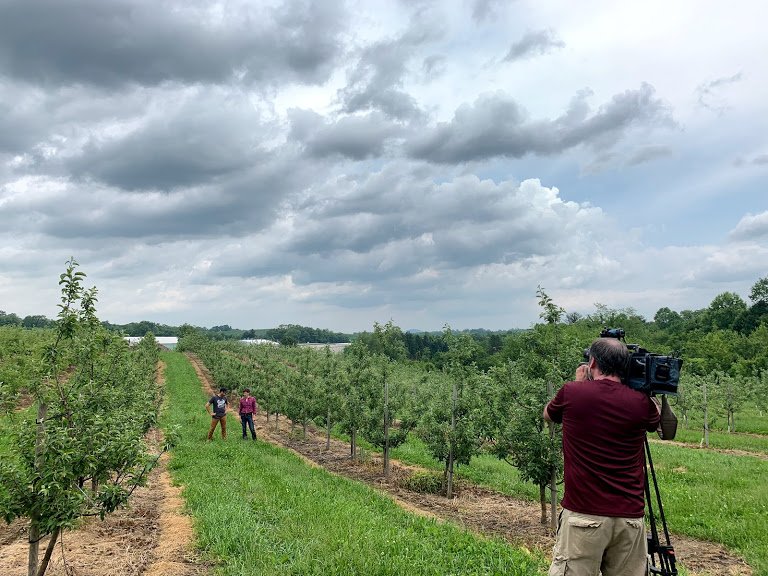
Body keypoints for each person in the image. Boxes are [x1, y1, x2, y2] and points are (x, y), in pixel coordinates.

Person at [543, 337, 676, 576]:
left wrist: (578, 383)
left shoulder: (572, 393)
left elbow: (548, 415)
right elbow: (659, 423)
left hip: (584, 516)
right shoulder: (641, 403)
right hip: (629, 520)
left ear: (592, 362)